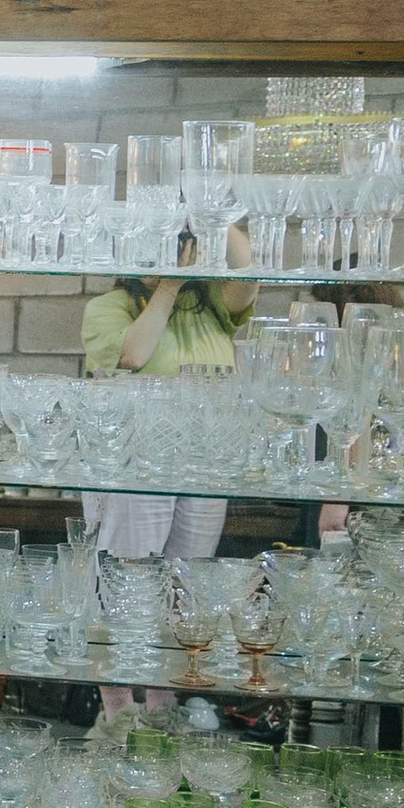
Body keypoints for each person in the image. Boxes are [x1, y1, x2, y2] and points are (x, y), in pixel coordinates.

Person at [79, 227, 257, 564]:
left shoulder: (208, 304)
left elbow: (248, 270)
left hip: (205, 456)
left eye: (170, 244)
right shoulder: (107, 307)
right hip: (135, 460)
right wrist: (170, 284)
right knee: (130, 573)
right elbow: (134, 355)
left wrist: (213, 204)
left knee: (188, 580)